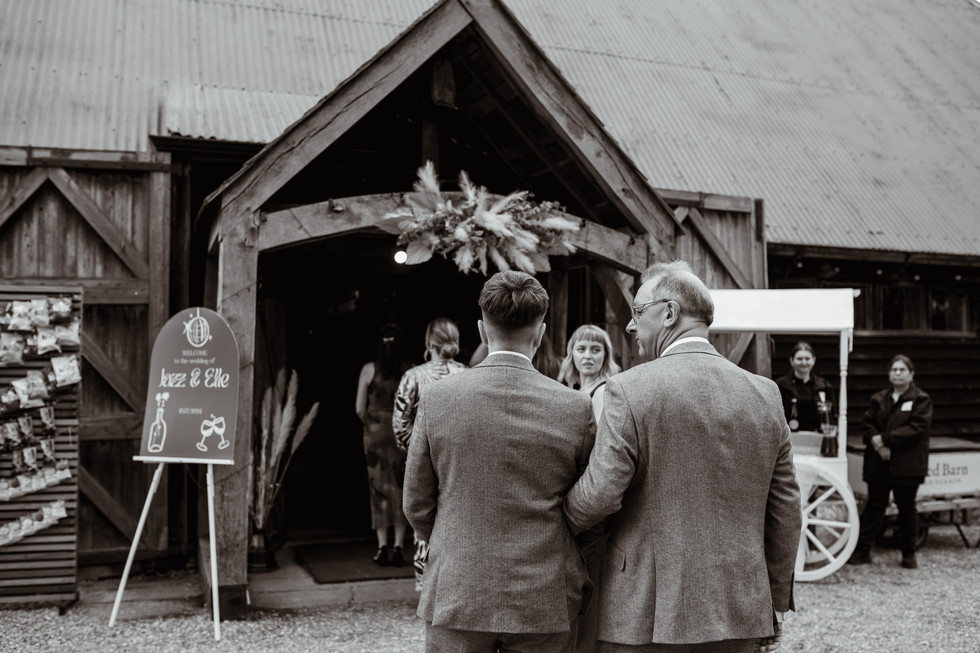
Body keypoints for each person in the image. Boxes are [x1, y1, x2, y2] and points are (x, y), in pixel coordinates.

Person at [564, 260, 801, 653]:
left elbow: (601, 495)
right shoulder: (765, 393)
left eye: (638, 313)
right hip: (740, 609)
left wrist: (557, 515)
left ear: (670, 313)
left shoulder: (629, 389)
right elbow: (785, 510)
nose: (630, 325)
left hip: (646, 611)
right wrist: (772, 604)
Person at [403, 270, 596, 653]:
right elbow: (590, 503)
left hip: (458, 587)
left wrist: (456, 541)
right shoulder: (575, 407)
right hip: (544, 593)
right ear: (540, 333)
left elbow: (416, 504)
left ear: (480, 330)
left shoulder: (439, 399)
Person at [392, 316, 467, 589]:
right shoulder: (468, 375)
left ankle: (428, 586)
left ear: (428, 342)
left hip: (425, 463)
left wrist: (417, 452)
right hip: (460, 464)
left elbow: (400, 426)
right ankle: (455, 583)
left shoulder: (413, 378)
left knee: (422, 519)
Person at [848, 354, 933, 569]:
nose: (897, 373)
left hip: (907, 465)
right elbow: (867, 424)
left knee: (906, 509)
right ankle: (863, 550)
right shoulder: (878, 399)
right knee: (875, 506)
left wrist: (884, 440)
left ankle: (908, 554)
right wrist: (877, 443)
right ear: (889, 374)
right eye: (894, 370)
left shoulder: (921, 400)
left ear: (911, 374)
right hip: (879, 464)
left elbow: (916, 429)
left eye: (902, 370)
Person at [354, 323, 411, 567]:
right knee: (399, 486)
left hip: (375, 433)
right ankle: (399, 546)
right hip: (400, 433)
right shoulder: (408, 370)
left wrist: (373, 421)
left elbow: (358, 407)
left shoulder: (369, 369)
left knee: (378, 488)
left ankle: (381, 547)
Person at [558, 324, 621, 421]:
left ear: (605, 355)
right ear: (572, 353)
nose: (587, 356)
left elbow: (600, 435)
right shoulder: (578, 390)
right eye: (581, 349)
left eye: (595, 350)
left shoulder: (602, 391)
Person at [774, 341, 836, 432]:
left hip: (818, 437)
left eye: (807, 358)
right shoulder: (780, 386)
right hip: (789, 438)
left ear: (814, 360)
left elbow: (833, 416)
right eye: (799, 359)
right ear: (791, 361)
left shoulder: (824, 386)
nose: (803, 362)